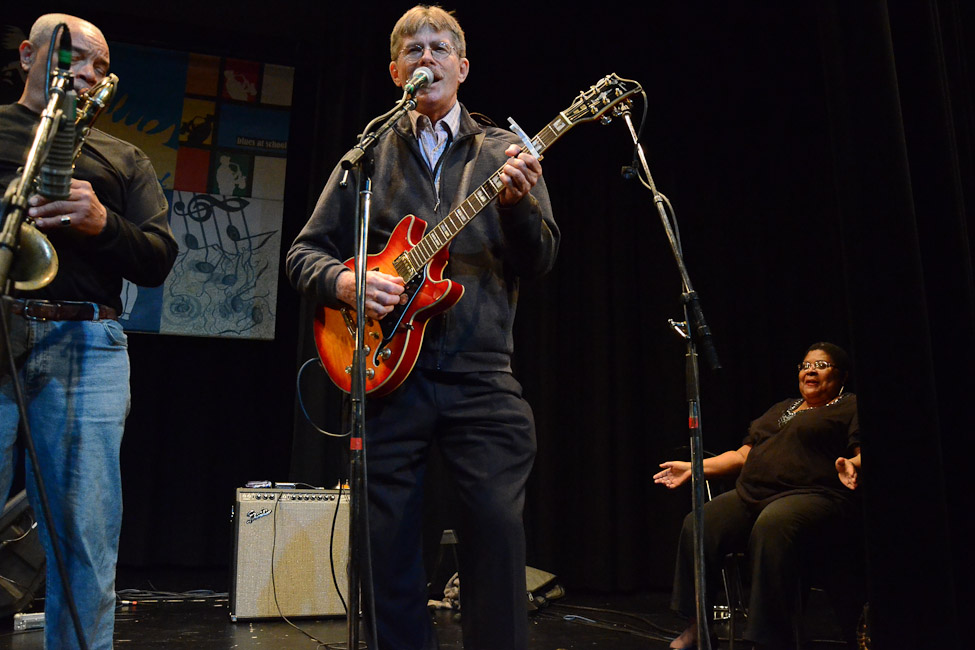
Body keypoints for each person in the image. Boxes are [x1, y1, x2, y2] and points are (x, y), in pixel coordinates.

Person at [287, 5, 558, 649]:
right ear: (395, 71)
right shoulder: (367, 154)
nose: (426, 58)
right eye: (413, 49)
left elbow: (542, 258)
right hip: (385, 375)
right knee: (384, 546)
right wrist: (346, 283)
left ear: (462, 67)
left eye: (439, 49)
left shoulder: (504, 152)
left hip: (481, 375)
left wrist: (518, 208)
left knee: (496, 535)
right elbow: (303, 254)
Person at [0, 13, 177, 649]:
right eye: (74, 57)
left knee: (86, 543)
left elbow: (158, 257)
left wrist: (103, 224)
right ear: (29, 55)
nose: (88, 74)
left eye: (100, 67)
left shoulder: (123, 157)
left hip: (86, 346)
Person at [654, 342, 863, 650]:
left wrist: (852, 464)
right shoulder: (783, 408)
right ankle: (699, 627)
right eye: (806, 365)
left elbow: (863, 452)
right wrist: (694, 468)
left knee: (772, 525)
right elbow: (742, 455)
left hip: (813, 495)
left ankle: (768, 640)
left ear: (842, 375)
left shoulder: (850, 406)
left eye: (821, 365)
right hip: (754, 494)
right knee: (699, 522)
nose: (810, 371)